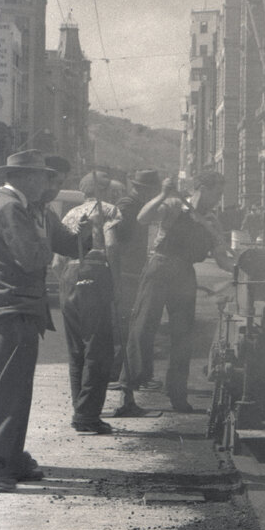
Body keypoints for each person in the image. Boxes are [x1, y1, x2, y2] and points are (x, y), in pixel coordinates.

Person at [0, 151, 92, 491]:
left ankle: (7, 455)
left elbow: (67, 243)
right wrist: (43, 232)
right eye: (41, 177)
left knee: (2, 388)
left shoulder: (13, 207)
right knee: (11, 390)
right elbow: (33, 257)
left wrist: (88, 229)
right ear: (21, 178)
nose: (47, 184)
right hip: (10, 307)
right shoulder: (11, 209)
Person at [123, 171, 234, 414]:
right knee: (142, 329)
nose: (219, 198)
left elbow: (222, 258)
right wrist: (163, 194)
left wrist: (239, 270)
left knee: (183, 337)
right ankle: (128, 394)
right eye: (217, 192)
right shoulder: (174, 205)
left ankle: (178, 395)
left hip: (184, 273)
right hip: (160, 267)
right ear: (203, 188)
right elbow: (143, 218)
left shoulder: (212, 222)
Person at [57, 173, 122, 434]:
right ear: (105, 191)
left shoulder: (70, 214)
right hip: (96, 273)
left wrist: (68, 281)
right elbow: (113, 247)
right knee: (98, 348)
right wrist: (116, 283)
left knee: (76, 351)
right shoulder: (107, 210)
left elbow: (56, 261)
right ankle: (87, 416)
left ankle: (80, 409)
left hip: (69, 276)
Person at [106, 170, 162, 416]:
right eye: (151, 189)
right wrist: (118, 275)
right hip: (126, 274)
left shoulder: (135, 205)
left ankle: (126, 382)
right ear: (142, 188)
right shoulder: (128, 207)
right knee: (126, 330)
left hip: (132, 272)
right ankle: (121, 386)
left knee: (130, 329)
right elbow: (116, 243)